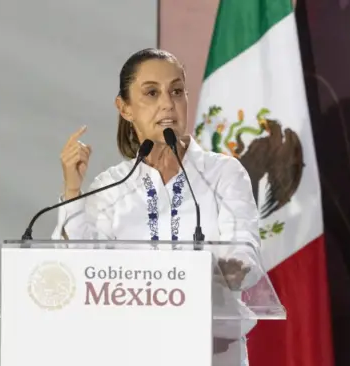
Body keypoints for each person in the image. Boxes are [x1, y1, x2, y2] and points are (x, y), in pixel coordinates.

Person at [51, 48, 260, 365]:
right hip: (129, 351)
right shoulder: (111, 188)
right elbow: (79, 268)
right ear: (125, 108)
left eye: (177, 91)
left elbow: (246, 256)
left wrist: (231, 268)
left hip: (212, 352)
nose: (168, 103)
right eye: (151, 92)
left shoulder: (223, 174)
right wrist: (72, 189)